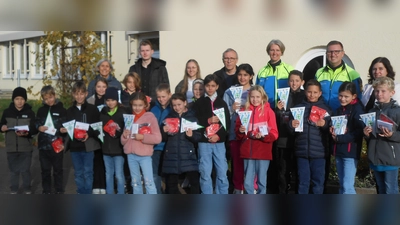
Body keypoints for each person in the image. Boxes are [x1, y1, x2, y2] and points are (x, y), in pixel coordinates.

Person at [289, 79, 332, 194]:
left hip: (319, 153)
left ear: (320, 93)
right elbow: (291, 128)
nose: (312, 95)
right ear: (305, 92)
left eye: (315, 92)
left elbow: (332, 129)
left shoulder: (326, 109)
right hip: (302, 152)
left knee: (318, 183)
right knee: (303, 182)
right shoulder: (298, 108)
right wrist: (291, 125)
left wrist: (325, 125)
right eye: (309, 92)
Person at [235, 85, 279, 194]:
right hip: (248, 152)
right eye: (252, 97)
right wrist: (240, 131)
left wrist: (264, 136)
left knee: (262, 181)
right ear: (249, 97)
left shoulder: (269, 112)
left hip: (263, 151)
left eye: (258, 97)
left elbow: (274, 133)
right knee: (248, 182)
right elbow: (238, 133)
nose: (255, 100)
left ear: (263, 97)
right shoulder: (243, 111)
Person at [193, 74, 230, 194]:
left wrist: (218, 136)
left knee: (222, 172)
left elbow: (227, 124)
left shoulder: (222, 103)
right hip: (204, 142)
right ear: (204, 86)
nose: (210, 88)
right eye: (208, 86)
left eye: (213, 86)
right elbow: (195, 122)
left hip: (219, 143)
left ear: (217, 86)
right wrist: (207, 121)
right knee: (205, 172)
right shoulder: (199, 103)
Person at [62, 81, 101, 194]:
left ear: (86, 94)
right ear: (73, 95)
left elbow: (97, 127)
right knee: (78, 172)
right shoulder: (69, 111)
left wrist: (89, 134)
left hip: (88, 146)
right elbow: (65, 125)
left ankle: (88, 193)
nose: (79, 96)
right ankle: (80, 191)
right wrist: (63, 129)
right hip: (75, 147)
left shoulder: (92, 109)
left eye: (81, 93)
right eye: (76, 94)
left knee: (88, 172)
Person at [364, 77, 400, 194]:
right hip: (375, 158)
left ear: (392, 92)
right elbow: (370, 137)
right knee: (380, 189)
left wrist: (392, 135)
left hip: (390, 158)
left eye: (383, 91)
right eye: (377, 91)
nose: (379, 94)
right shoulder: (371, 112)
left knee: (391, 189)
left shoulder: (397, 112)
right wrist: (366, 134)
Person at [121, 92, 162, 194]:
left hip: (145, 156)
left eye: (140, 105)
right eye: (134, 105)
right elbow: (123, 141)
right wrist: (124, 136)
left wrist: (143, 137)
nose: (137, 108)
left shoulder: (150, 117)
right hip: (131, 155)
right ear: (131, 105)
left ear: (145, 105)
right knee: (135, 183)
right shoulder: (129, 118)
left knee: (149, 182)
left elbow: (157, 138)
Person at [161, 93, 202, 194]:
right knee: (171, 184)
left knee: (194, 182)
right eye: (174, 105)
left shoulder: (192, 118)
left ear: (185, 103)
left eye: (179, 104)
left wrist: (191, 135)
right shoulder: (168, 118)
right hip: (172, 155)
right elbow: (163, 138)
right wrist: (163, 131)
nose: (177, 107)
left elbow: (198, 137)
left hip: (188, 154)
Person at [223, 63, 254, 194]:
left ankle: (252, 187)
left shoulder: (256, 91)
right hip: (235, 133)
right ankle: (238, 187)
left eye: (245, 75)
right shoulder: (229, 92)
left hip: (251, 133)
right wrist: (231, 109)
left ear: (251, 76)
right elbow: (223, 114)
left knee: (252, 163)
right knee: (237, 161)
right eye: (240, 75)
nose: (242, 78)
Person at [0, 87, 38, 194]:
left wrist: (28, 133)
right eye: (17, 99)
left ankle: (27, 189)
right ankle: (14, 190)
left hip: (26, 148)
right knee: (14, 171)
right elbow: (1, 124)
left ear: (25, 100)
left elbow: (34, 129)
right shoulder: (7, 112)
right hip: (11, 147)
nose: (19, 101)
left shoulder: (30, 112)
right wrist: (2, 127)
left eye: (22, 99)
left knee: (25, 171)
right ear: (13, 100)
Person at [329, 82, 364, 194]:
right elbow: (335, 125)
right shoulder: (339, 109)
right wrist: (332, 130)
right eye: (340, 96)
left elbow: (359, 132)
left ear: (354, 96)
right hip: (339, 150)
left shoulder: (357, 110)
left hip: (350, 152)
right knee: (342, 184)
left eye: (346, 96)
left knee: (347, 185)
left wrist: (341, 138)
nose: (342, 99)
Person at [274, 70, 305, 194]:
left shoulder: (305, 95)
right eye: (291, 80)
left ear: (302, 82)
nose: (294, 83)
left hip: (300, 138)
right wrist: (277, 109)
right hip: (284, 138)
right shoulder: (282, 95)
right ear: (288, 81)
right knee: (283, 170)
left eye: (297, 81)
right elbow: (276, 117)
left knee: (298, 170)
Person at [35, 85, 67, 194]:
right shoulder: (40, 110)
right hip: (44, 146)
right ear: (43, 99)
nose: (49, 100)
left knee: (58, 170)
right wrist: (38, 127)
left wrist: (64, 132)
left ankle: (59, 190)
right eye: (46, 99)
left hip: (57, 145)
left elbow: (67, 127)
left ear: (55, 95)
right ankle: (46, 190)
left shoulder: (62, 110)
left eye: (51, 97)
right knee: (45, 170)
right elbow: (36, 123)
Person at [315, 40, 362, 111]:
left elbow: (358, 98)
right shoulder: (319, 72)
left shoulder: (352, 74)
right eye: (330, 52)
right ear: (326, 54)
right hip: (322, 115)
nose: (333, 54)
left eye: (336, 51)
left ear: (343, 53)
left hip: (342, 115)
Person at [100, 87, 126, 194]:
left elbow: (125, 130)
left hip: (118, 150)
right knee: (108, 174)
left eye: (113, 100)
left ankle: (121, 193)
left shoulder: (122, 113)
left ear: (117, 100)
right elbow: (98, 127)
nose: (110, 103)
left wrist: (117, 132)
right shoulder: (102, 113)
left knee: (119, 175)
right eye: (108, 100)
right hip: (106, 149)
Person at [128, 40, 169, 105]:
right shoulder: (133, 69)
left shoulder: (160, 68)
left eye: (147, 50)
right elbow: (130, 87)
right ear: (139, 52)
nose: (145, 53)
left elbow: (166, 87)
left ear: (152, 52)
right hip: (138, 104)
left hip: (156, 103)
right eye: (142, 51)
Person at [256, 39, 294, 108]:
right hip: (267, 108)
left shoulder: (289, 69)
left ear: (281, 52)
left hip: (285, 108)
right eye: (272, 50)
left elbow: (296, 89)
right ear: (268, 52)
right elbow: (257, 92)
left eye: (277, 50)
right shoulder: (262, 71)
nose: (274, 53)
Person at [150, 83, 172, 194]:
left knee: (168, 174)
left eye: (163, 96)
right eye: (159, 97)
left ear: (169, 95)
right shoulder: (153, 110)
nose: (161, 99)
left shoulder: (172, 109)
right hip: (155, 147)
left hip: (168, 146)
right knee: (155, 173)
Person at [87, 78, 108, 194]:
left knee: (104, 161)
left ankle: (103, 185)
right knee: (95, 160)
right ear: (95, 88)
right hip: (94, 135)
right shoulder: (90, 101)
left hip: (106, 135)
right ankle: (96, 185)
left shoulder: (110, 101)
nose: (101, 89)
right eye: (99, 86)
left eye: (104, 87)